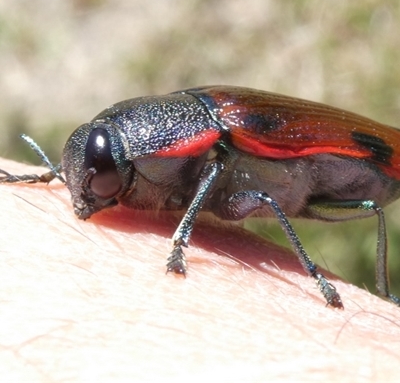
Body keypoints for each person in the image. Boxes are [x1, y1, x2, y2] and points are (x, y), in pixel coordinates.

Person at [0, 157, 399, 380]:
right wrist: (49, 177)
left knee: (264, 196)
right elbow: (95, 160)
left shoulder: (197, 152)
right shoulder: (162, 153)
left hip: (357, 170)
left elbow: (232, 182)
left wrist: (180, 239)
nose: (82, 205)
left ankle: (367, 285)